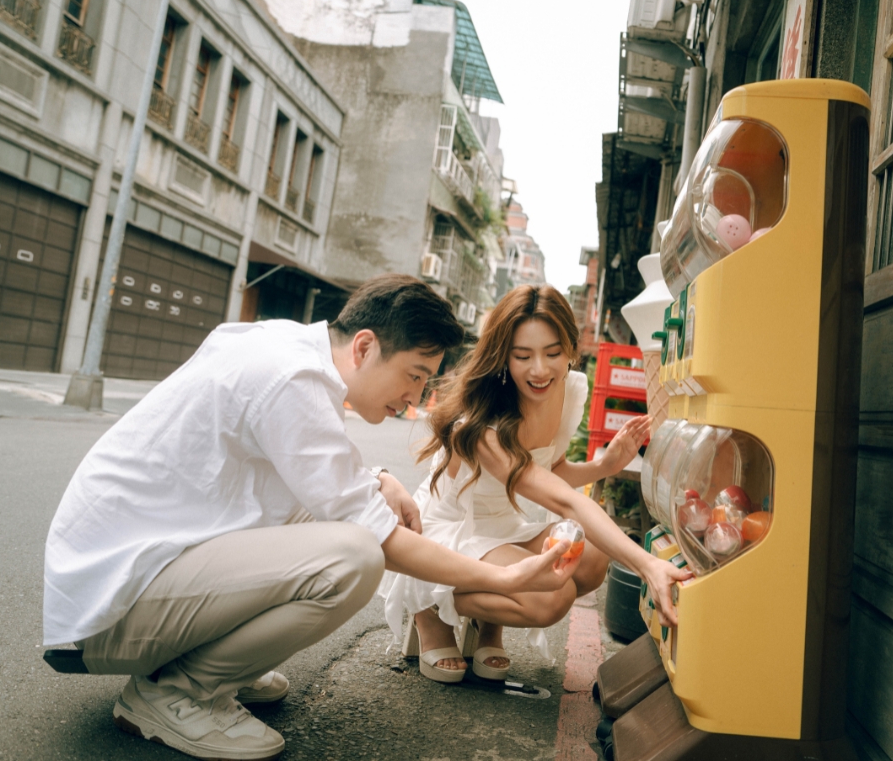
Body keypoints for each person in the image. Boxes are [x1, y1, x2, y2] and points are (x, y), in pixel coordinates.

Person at [43, 274, 578, 761]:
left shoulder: (282, 346)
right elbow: (381, 539)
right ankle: (179, 691)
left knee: (342, 523)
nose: (414, 399)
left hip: (130, 577)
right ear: (365, 346)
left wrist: (377, 480)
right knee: (354, 555)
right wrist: (504, 576)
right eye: (414, 376)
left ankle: (211, 664)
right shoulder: (293, 380)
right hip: (114, 608)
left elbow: (305, 473)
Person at [379, 284, 688, 684]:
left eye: (553, 353)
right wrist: (649, 566)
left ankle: (485, 619)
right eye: (523, 356)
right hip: (455, 532)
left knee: (592, 558)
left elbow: (549, 471)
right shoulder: (481, 424)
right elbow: (563, 501)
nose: (540, 370)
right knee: (550, 598)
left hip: (510, 526)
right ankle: (429, 603)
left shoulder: (567, 389)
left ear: (571, 349)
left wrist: (603, 465)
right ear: (503, 356)